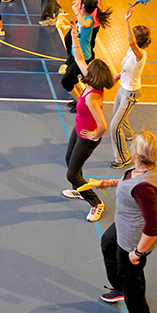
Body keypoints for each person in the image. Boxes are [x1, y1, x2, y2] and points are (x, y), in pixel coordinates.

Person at [96, 130, 157, 313]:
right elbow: (130, 184)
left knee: (131, 276)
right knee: (108, 244)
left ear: (136, 154)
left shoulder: (145, 188)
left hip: (135, 237)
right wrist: (110, 183)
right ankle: (120, 289)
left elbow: (153, 227)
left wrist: (138, 252)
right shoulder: (148, 167)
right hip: (124, 223)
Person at [61, 23, 115, 222]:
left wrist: (93, 136)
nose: (86, 67)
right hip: (79, 129)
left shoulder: (92, 97)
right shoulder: (92, 82)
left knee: (72, 174)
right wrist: (74, 35)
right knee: (69, 160)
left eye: (89, 68)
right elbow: (79, 58)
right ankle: (79, 189)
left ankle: (96, 203)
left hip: (87, 137)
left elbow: (103, 125)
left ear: (93, 74)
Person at [109, 7, 151, 168]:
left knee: (114, 127)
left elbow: (131, 42)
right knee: (117, 114)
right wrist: (119, 75)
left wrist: (127, 20)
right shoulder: (131, 51)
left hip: (131, 93)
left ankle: (123, 158)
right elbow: (127, 65)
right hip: (123, 87)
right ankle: (129, 134)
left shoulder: (140, 54)